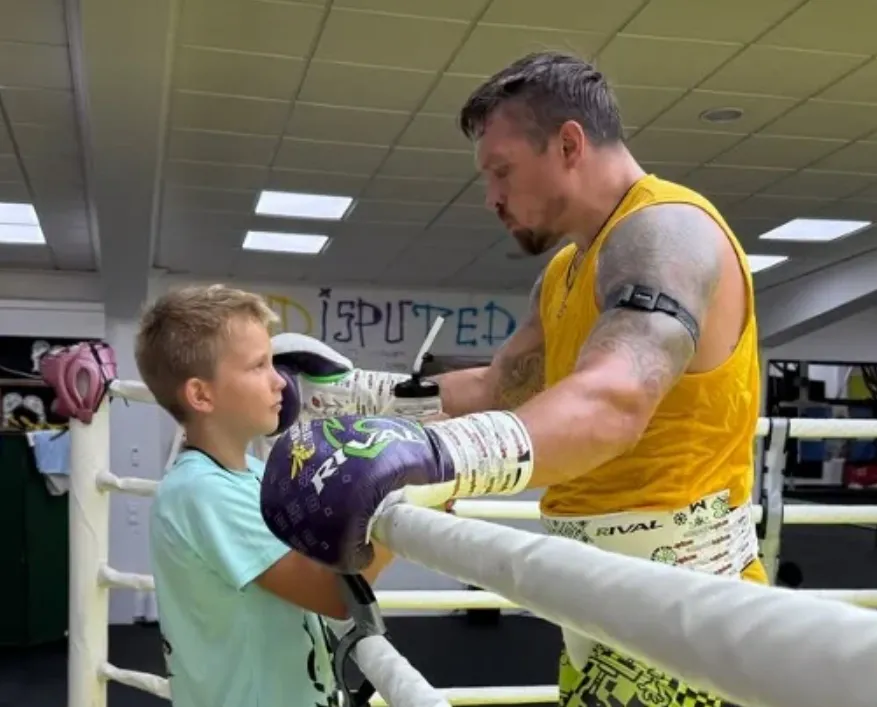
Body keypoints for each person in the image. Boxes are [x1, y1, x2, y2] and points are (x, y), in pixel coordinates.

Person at [260, 51, 764, 707]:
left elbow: (614, 399)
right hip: (595, 598)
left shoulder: (666, 230)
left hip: (683, 608)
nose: (491, 196)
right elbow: (502, 388)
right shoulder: (563, 271)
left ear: (568, 143)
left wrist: (433, 457)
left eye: (502, 170)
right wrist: (348, 392)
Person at [137, 284, 394, 707]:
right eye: (259, 366)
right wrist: (407, 495)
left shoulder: (257, 474)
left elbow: (326, 549)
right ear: (202, 395)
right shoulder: (202, 492)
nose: (281, 382)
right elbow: (333, 595)